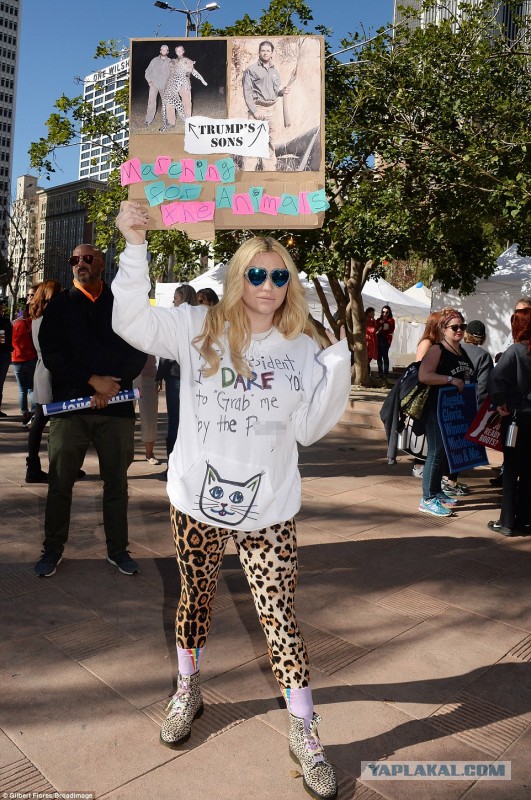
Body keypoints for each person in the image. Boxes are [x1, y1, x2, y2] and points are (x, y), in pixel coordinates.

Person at [112, 200, 351, 800]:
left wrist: (338, 362)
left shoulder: (300, 347)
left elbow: (309, 429)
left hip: (269, 509)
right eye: (256, 273)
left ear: (288, 284)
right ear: (238, 274)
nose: (268, 285)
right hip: (196, 501)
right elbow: (130, 324)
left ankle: (305, 730)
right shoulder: (200, 329)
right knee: (195, 600)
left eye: (279, 276)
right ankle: (186, 689)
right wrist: (134, 244)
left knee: (281, 619)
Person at [34, 243, 147, 578]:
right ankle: (52, 549)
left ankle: (118, 550)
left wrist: (110, 386)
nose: (79, 264)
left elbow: (139, 345)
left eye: (86, 259)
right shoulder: (61, 305)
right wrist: (91, 381)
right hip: (70, 409)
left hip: (117, 408)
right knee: (60, 482)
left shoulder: (121, 303)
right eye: (74, 260)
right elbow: (52, 354)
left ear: (101, 263)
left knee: (117, 484)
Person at [417, 308, 474, 517]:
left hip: (454, 408)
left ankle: (436, 491)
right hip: (435, 408)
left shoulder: (460, 350)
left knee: (443, 452)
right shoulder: (437, 349)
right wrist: (450, 380)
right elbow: (424, 375)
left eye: (462, 326)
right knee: (435, 451)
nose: (459, 330)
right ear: (444, 328)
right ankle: (427, 498)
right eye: (455, 327)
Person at [487, 308, 531, 536]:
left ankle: (507, 521)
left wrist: (500, 403)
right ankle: (525, 518)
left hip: (515, 418)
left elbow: (495, 378)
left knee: (512, 468)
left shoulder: (515, 351)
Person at [157, 284, 198, 472]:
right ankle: (184, 466)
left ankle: (173, 467)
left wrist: (160, 373)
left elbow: (167, 350)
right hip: (193, 377)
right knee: (189, 422)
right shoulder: (200, 319)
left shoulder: (178, 319)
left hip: (177, 376)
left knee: (175, 421)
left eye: (176, 298)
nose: (173, 301)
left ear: (184, 298)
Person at [242, 40, 290, 171]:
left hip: (272, 110)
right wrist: (254, 111)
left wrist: (282, 92)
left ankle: (269, 173)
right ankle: (248, 174)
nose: (265, 53)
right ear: (259, 52)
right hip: (258, 109)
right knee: (253, 142)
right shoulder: (251, 70)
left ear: (272, 53)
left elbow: (274, 92)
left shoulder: (275, 71)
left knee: (270, 143)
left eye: (268, 51)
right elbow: (247, 92)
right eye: (263, 50)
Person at [161, 45, 207, 130]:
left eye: (180, 50)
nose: (179, 52)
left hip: (185, 83)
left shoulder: (188, 60)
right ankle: (171, 122)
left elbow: (192, 71)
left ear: (183, 51)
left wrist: (202, 80)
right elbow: (172, 71)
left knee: (187, 101)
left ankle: (188, 120)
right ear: (175, 52)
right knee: (169, 103)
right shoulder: (172, 61)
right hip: (174, 83)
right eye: (177, 50)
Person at [11, 305, 37, 425]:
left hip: (17, 359)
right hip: (31, 358)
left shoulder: (15, 324)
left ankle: (24, 412)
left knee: (22, 389)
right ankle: (34, 412)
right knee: (31, 388)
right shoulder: (33, 323)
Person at [134, 354, 161, 465]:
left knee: (149, 417)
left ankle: (149, 453)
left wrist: (160, 375)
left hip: (149, 375)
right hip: (127, 374)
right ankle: (126, 453)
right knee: (125, 418)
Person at [461, 320, 494, 405]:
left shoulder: (454, 349)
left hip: (451, 402)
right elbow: (483, 387)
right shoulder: (484, 356)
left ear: (466, 333)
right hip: (471, 403)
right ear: (483, 337)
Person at [144, 43, 172, 126]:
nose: (164, 51)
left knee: (166, 102)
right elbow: (147, 71)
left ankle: (166, 118)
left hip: (165, 85)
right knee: (151, 101)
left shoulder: (170, 61)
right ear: (160, 51)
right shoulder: (154, 60)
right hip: (154, 84)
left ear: (167, 51)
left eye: (165, 50)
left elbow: (173, 73)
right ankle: (148, 119)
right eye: (162, 49)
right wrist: (149, 80)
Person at [0, 297, 13, 416]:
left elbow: (8, 338)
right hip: (4, 355)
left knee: (0, 383)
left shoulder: (5, 321)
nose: (2, 307)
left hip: (4, 354)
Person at [375, 305, 395, 378]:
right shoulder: (378, 320)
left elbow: (391, 330)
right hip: (378, 338)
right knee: (379, 356)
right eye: (383, 312)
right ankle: (380, 372)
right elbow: (375, 327)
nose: (385, 314)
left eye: (387, 312)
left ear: (389, 313)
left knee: (385, 356)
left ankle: (385, 373)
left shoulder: (391, 320)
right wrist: (381, 322)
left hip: (385, 339)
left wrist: (382, 330)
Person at [364, 307, 378, 375]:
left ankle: (367, 371)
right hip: (368, 340)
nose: (374, 314)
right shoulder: (366, 320)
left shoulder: (371, 320)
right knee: (368, 355)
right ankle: (367, 371)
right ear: (369, 313)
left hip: (371, 340)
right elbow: (371, 329)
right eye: (373, 312)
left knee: (369, 356)